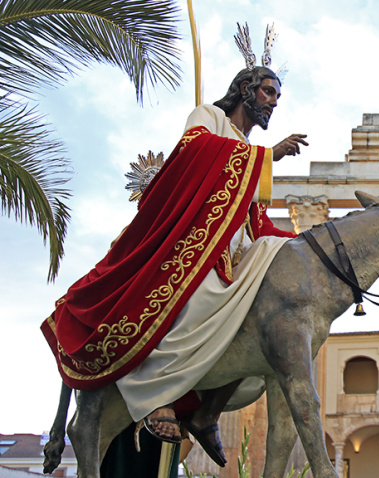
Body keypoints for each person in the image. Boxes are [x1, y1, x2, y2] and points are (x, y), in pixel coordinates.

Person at [41, 64, 307, 468]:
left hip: (231, 258)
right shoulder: (209, 118)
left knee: (261, 331)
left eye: (277, 96)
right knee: (196, 297)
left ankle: (207, 412)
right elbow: (192, 156)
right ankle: (155, 395)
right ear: (245, 90)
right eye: (268, 92)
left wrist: (306, 249)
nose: (273, 102)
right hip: (192, 249)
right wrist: (267, 157)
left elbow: (257, 221)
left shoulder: (248, 152)